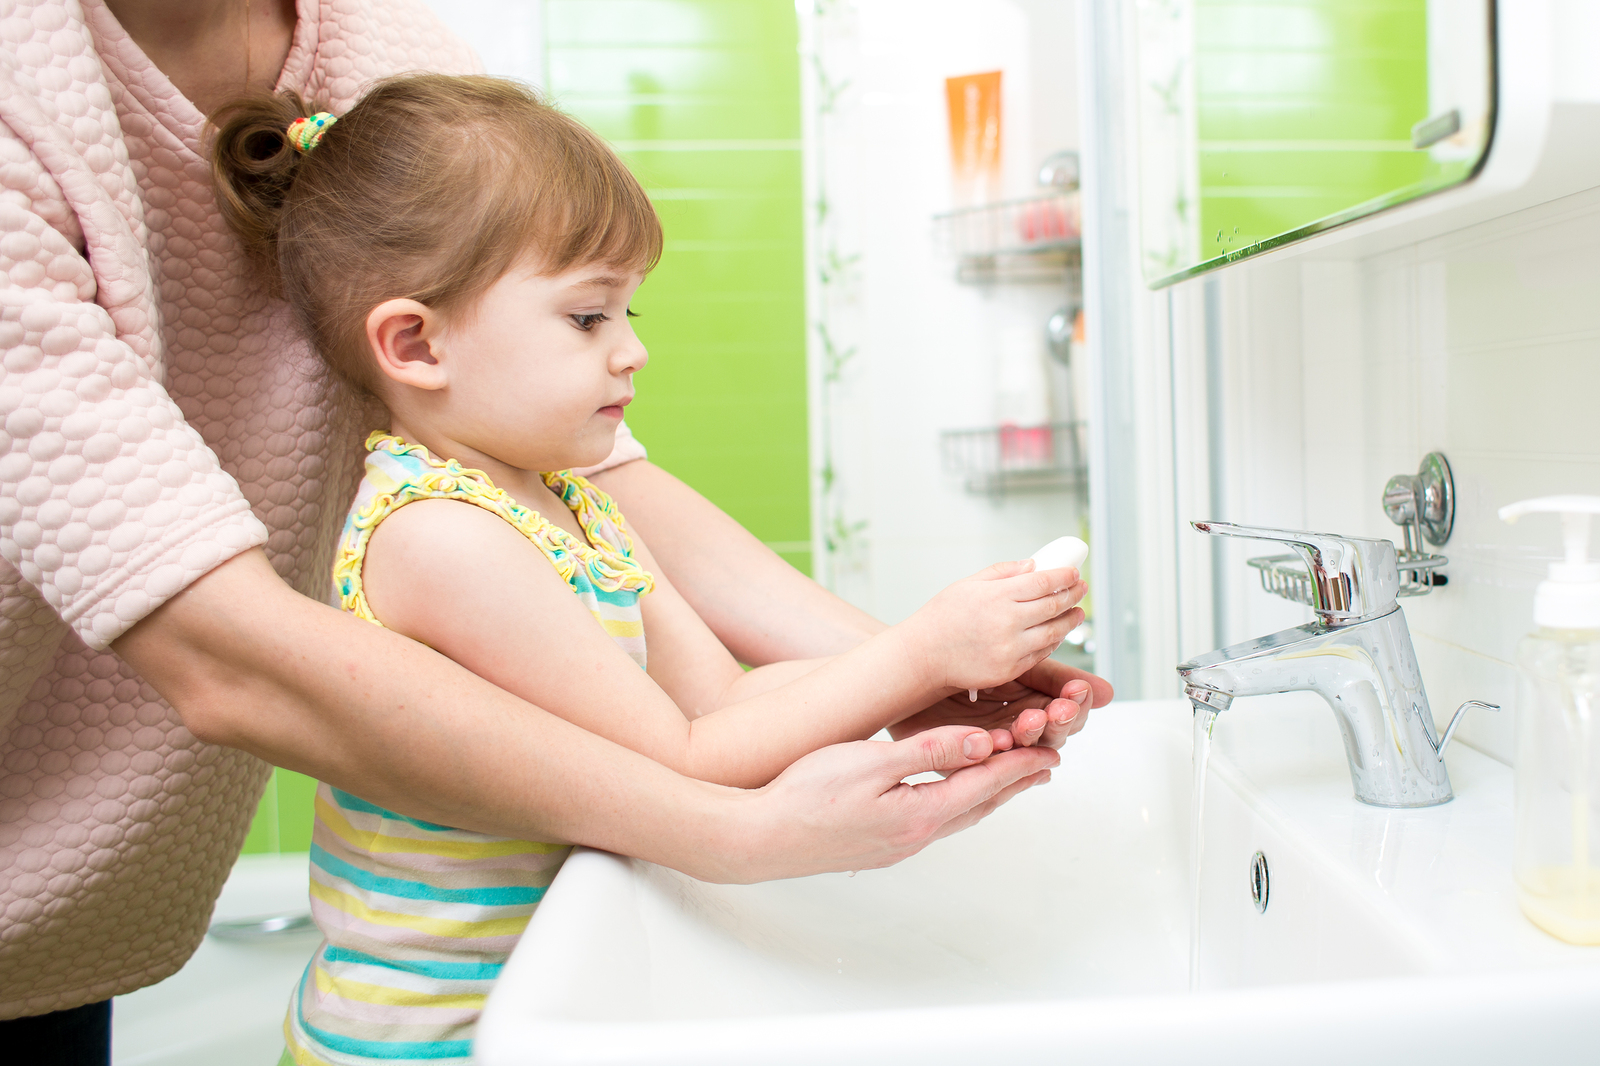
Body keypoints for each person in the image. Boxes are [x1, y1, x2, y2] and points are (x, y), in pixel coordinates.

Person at [0, 1, 1111, 1058]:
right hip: (418, 1033)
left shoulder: (570, 505)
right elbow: (684, 757)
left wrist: (912, 676)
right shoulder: (438, 534)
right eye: (588, 317)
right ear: (417, 346)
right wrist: (913, 656)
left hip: (528, 989)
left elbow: (719, 701)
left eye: (629, 312)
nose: (629, 352)